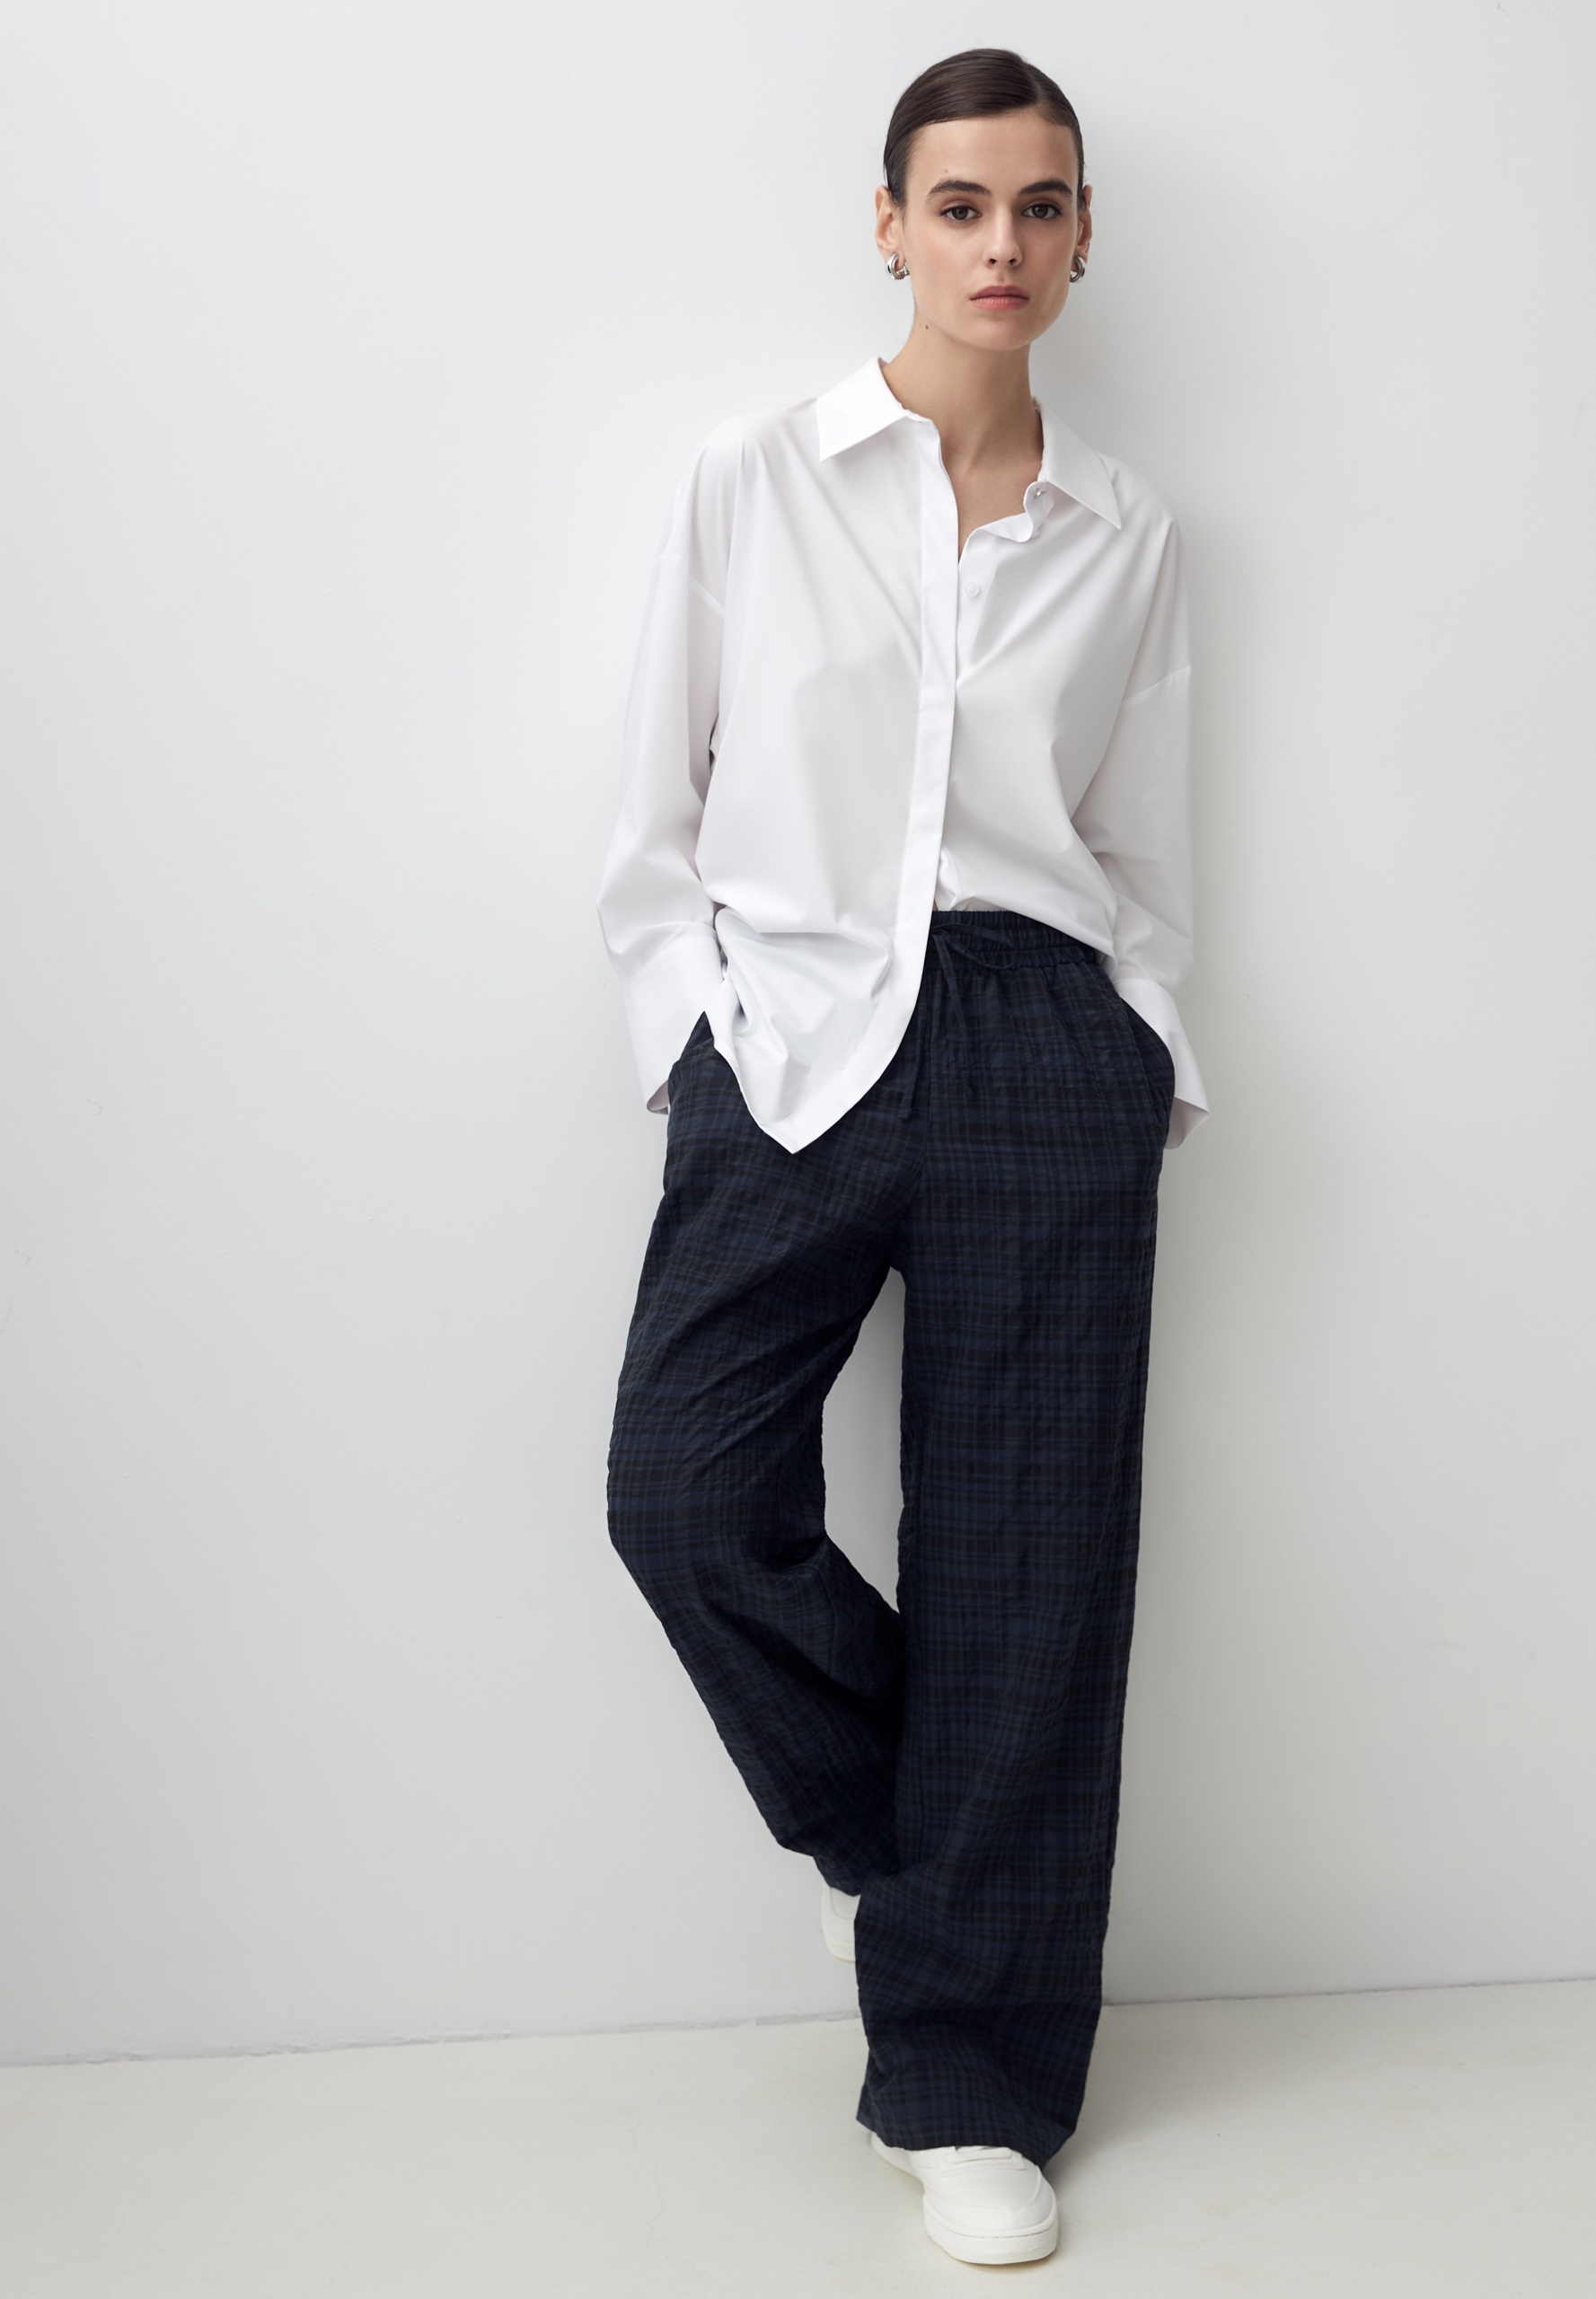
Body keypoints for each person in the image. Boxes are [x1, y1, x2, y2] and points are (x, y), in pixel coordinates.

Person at [597, 48, 1205, 2268]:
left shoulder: (1129, 530)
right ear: (889, 224)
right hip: (789, 1031)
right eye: (961, 204)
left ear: (1081, 234)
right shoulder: (754, 477)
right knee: (683, 1490)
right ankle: (933, 1855)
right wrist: (692, 1042)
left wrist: (1143, 1054)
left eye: (1042, 206)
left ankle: (969, 2078)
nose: (1002, 245)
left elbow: (1141, 837)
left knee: (1032, 1564)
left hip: (1045, 1033)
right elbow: (652, 811)